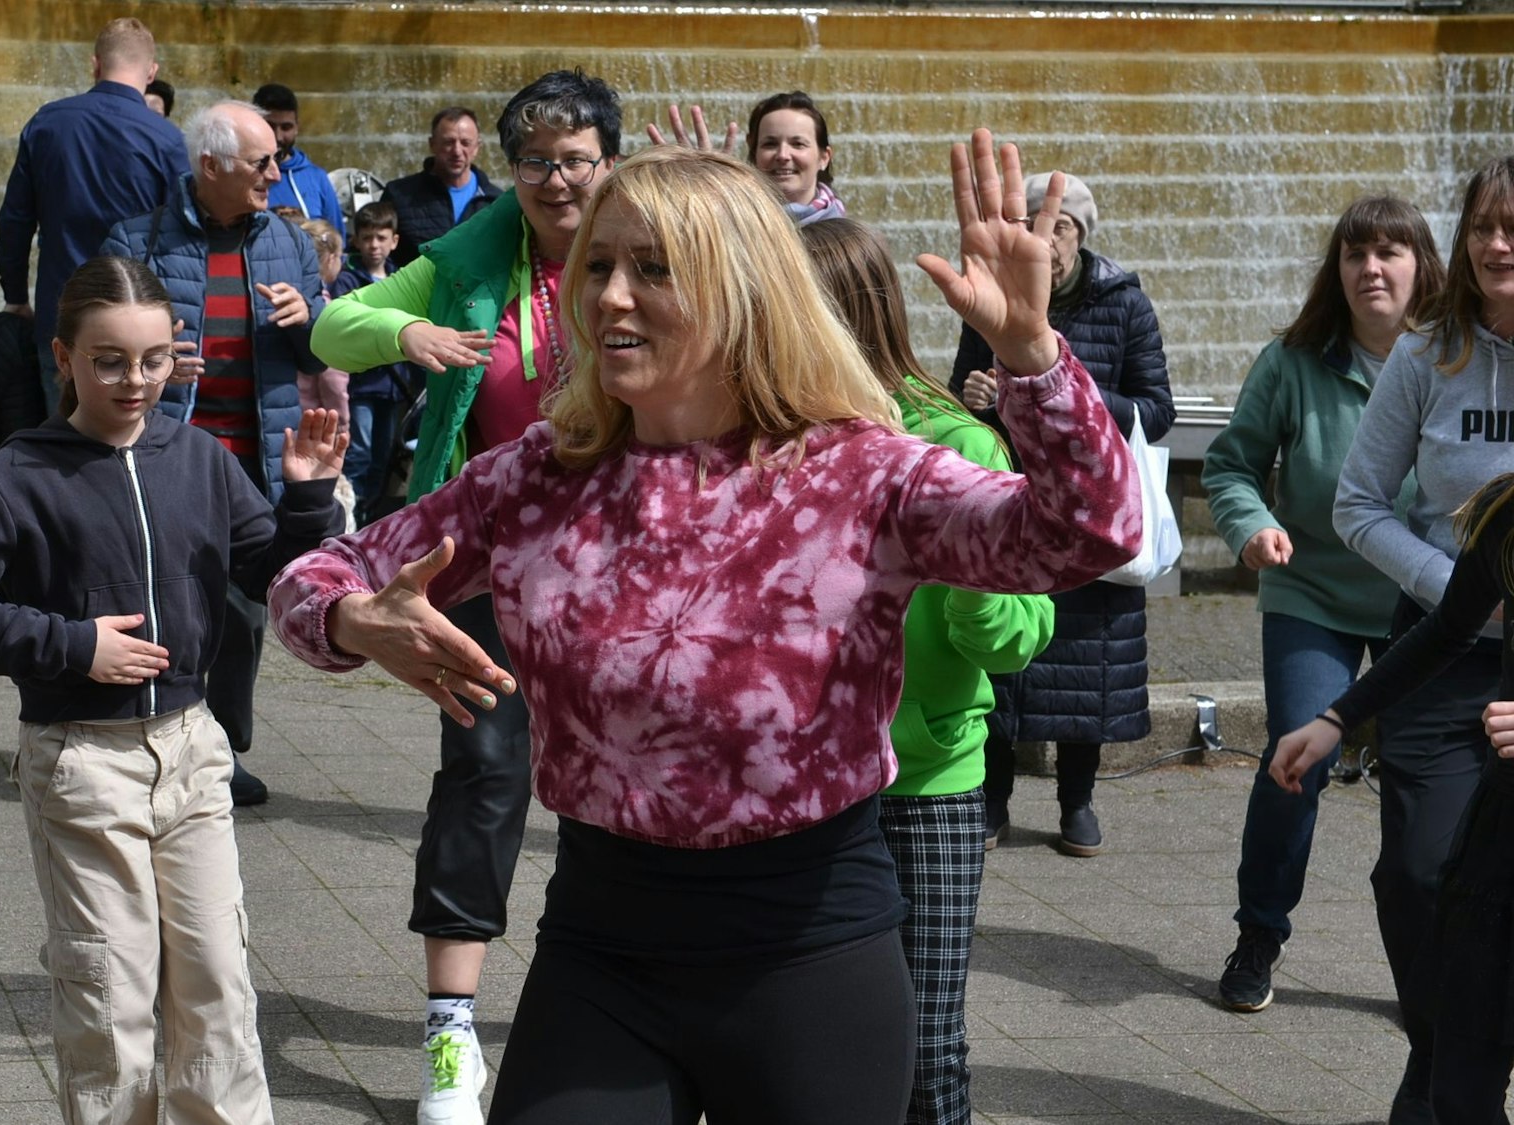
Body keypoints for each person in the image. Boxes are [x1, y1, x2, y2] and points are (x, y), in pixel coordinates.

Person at [274, 135, 1138, 1125]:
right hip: (600, 951)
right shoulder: (536, 477)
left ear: (742, 287)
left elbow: (1084, 536)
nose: (608, 296)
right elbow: (309, 579)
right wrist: (349, 619)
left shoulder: (861, 475)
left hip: (809, 958)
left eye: (653, 269)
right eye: (597, 264)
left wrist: (1031, 358)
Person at [0, 254, 348, 1125]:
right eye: (110, 360)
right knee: (111, 1002)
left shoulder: (199, 457)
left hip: (191, 751)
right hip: (84, 763)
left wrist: (304, 502)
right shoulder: (19, 472)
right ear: (65, 356)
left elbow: (267, 568)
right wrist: (72, 646)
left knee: (219, 988)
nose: (135, 380)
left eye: (154, 359)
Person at [310, 69, 621, 1125]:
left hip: (631, 567)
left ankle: (624, 1002)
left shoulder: (648, 255)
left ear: (607, 164)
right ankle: (450, 1032)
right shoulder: (464, 263)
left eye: (575, 158)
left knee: (623, 784)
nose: (555, 178)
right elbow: (329, 328)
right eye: (533, 160)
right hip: (485, 563)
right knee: (484, 775)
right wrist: (408, 337)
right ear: (510, 169)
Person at [802, 216, 1055, 1125]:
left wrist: (969, 579)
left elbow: (1021, 638)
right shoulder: (760, 444)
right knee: (794, 1039)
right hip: (797, 790)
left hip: (927, 786)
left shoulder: (957, 446)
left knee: (926, 1047)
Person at [1202, 196, 1444, 1014]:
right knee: (1292, 758)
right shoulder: (1294, 359)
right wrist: (1253, 526)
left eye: (1389, 252)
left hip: (1429, 599)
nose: (1370, 268)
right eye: (1354, 254)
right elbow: (1231, 465)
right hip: (1312, 591)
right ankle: (1259, 933)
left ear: (1423, 265)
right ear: (1336, 270)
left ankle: (1428, 963)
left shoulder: (1460, 359)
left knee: (1426, 784)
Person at [1329, 154, 1514, 1124]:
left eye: (1512, 227)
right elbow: (1356, 504)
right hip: (1439, 649)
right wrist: (1459, 588)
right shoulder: (1423, 354)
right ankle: (1439, 1050)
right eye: (1483, 224)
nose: (1496, 244)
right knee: (1413, 873)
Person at [99, 100, 325, 809]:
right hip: (169, 452)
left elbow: (324, 349)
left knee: (243, 613)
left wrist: (310, 319)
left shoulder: (287, 242)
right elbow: (93, 349)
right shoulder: (138, 240)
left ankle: (223, 749)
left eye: (275, 160)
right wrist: (158, 367)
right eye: (260, 162)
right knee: (161, 602)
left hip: (256, 457)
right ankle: (149, 741)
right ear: (210, 167)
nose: (276, 172)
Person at [1272, 473, 1514, 1123]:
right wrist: (1336, 717)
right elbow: (1448, 629)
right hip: (1500, 840)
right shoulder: (1506, 515)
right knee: (1459, 1094)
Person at [949, 170, 1173, 857]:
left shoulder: (1127, 307)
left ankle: (1078, 800)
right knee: (1007, 664)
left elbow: (1158, 409)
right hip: (1016, 499)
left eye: (1063, 230)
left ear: (1082, 236)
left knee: (1087, 668)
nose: (1049, 244)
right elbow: (962, 391)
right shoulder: (994, 297)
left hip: (1091, 505)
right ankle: (993, 800)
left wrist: (1063, 389)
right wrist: (979, 390)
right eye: (1040, 231)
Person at [0, 17, 191, 406]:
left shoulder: (46, 123)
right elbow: (184, 235)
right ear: (151, 72)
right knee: (135, 441)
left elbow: (15, 221)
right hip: (137, 321)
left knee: (63, 442)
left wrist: (16, 297)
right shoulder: (167, 138)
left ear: (95, 64)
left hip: (61, 315)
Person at [646, 92, 844, 226]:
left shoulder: (850, 241)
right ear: (753, 151)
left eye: (798, 144)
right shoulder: (732, 221)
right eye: (770, 144)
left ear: (824, 158)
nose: (783, 155)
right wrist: (701, 190)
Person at [339, 201, 412, 520]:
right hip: (363, 385)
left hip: (394, 386)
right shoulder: (347, 280)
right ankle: (348, 516)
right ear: (355, 240)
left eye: (381, 238)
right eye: (367, 237)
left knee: (383, 456)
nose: (374, 245)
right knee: (359, 454)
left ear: (394, 240)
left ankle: (369, 516)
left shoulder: (402, 279)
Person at [383, 107, 503, 268]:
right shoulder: (398, 195)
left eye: (465, 143)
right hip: (414, 291)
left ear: (477, 148)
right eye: (448, 142)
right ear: (432, 144)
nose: (457, 151)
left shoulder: (496, 202)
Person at [255, 83, 345, 234]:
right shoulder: (241, 175)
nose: (277, 137)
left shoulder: (317, 178)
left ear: (297, 128)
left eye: (286, 127)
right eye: (269, 126)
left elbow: (336, 243)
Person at [297, 217, 351, 418]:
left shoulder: (284, 299)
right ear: (331, 259)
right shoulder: (327, 311)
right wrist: (340, 425)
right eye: (341, 258)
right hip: (316, 422)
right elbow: (333, 380)